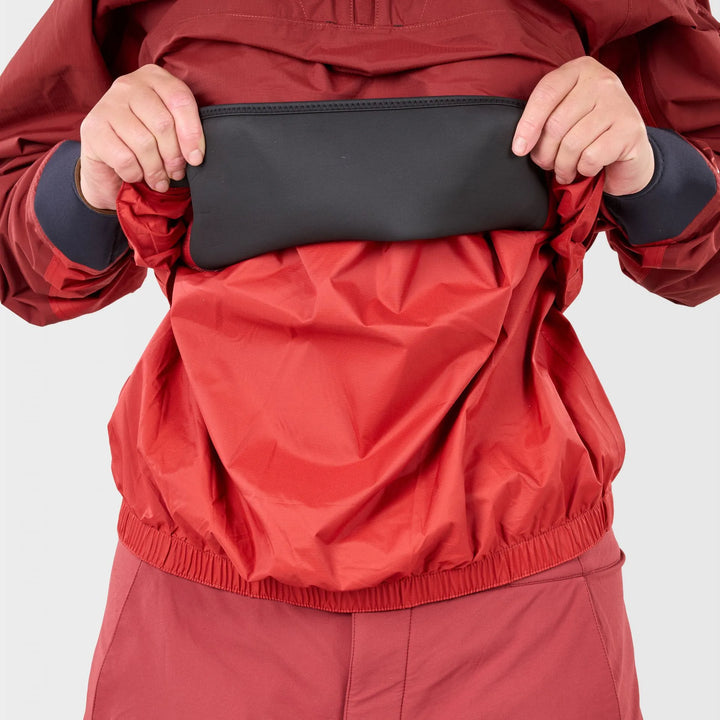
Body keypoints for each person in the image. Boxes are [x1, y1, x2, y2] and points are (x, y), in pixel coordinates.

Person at [1, 0, 719, 718]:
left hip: (520, 608)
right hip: (202, 604)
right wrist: (88, 179)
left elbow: (704, 249)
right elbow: (19, 255)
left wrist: (648, 165)